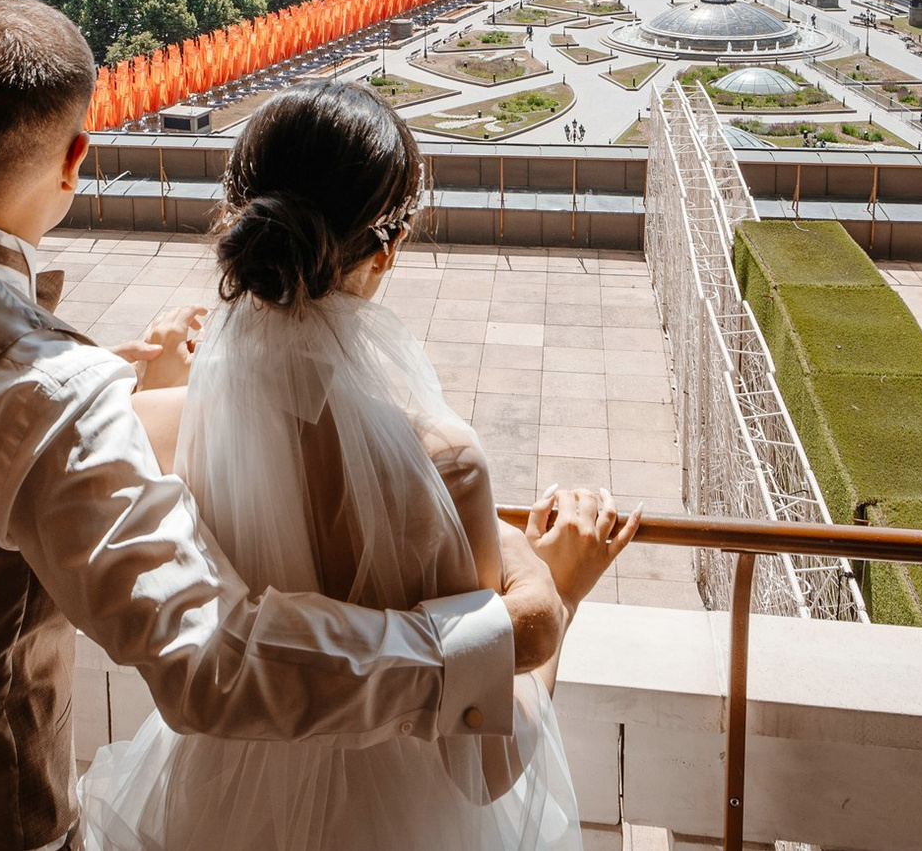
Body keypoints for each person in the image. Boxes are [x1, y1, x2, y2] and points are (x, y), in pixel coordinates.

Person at [0, 0, 619, 851]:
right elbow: (208, 663)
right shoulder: (41, 389)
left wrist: (121, 372)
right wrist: (506, 632)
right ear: (76, 155)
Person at [85, 84, 636, 851]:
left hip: (216, 805)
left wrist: (165, 384)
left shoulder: (152, 427)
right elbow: (485, 762)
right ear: (386, 251)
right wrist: (560, 588)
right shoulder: (445, 466)